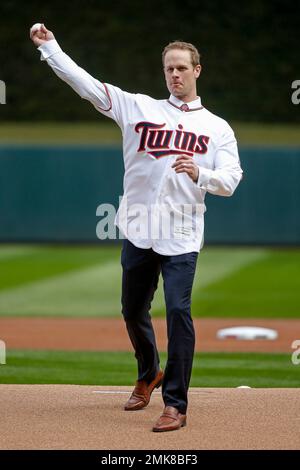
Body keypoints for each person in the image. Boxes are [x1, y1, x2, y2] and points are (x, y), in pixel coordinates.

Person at [30, 24, 243, 432]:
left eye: (182, 67)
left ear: (198, 70)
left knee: (179, 311)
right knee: (132, 310)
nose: (175, 74)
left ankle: (175, 403)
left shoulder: (217, 128)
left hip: (181, 233)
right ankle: (149, 373)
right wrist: (51, 48)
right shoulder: (138, 107)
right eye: (169, 68)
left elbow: (231, 180)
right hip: (140, 229)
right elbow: (85, 84)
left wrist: (201, 173)